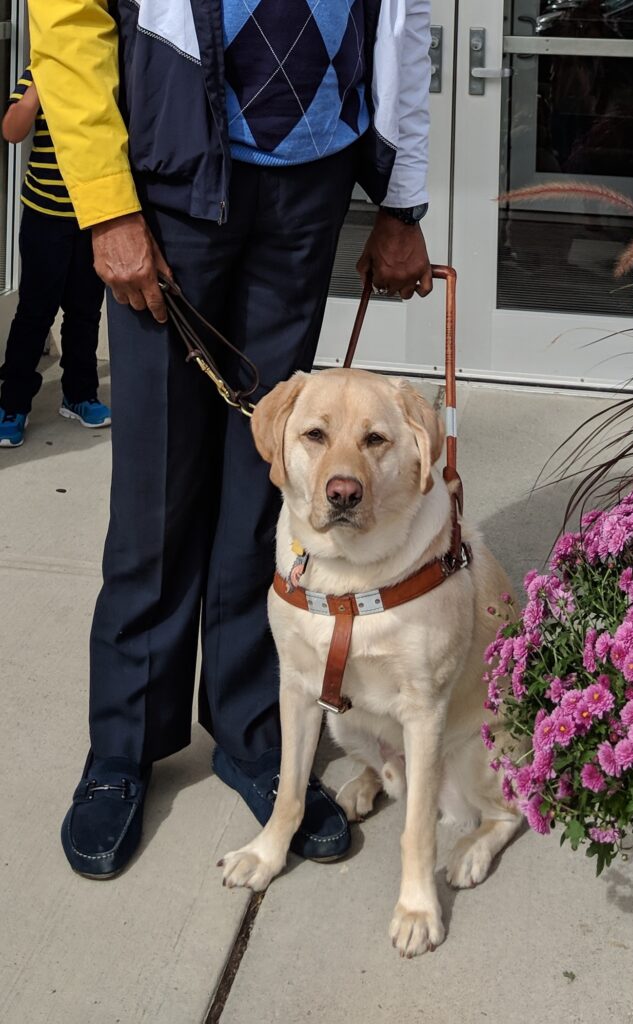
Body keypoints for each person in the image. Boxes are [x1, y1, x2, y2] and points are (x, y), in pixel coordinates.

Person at [28, 0, 434, 878]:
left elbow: (406, 16)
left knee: (269, 492)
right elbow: (67, 23)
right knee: (156, 493)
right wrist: (105, 208)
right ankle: (124, 748)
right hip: (169, 191)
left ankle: (254, 736)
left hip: (309, 184)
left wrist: (401, 201)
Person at [0, 65, 110, 449]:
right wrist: (40, 86)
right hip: (44, 215)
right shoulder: (37, 71)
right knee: (34, 312)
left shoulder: (101, 66)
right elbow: (12, 131)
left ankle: (79, 395)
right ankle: (12, 404)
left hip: (93, 215)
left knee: (84, 312)